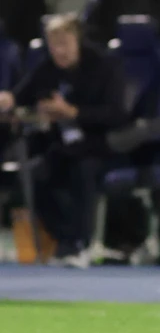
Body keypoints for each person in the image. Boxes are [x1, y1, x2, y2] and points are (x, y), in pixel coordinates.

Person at [0, 14, 126, 266]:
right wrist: (10, 102)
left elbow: (116, 114)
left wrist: (73, 113)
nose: (59, 51)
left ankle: (81, 243)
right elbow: (20, 96)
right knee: (35, 175)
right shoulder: (46, 69)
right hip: (63, 147)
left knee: (82, 171)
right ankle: (66, 240)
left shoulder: (104, 66)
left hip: (100, 145)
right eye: (53, 45)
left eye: (64, 44)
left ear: (77, 39)